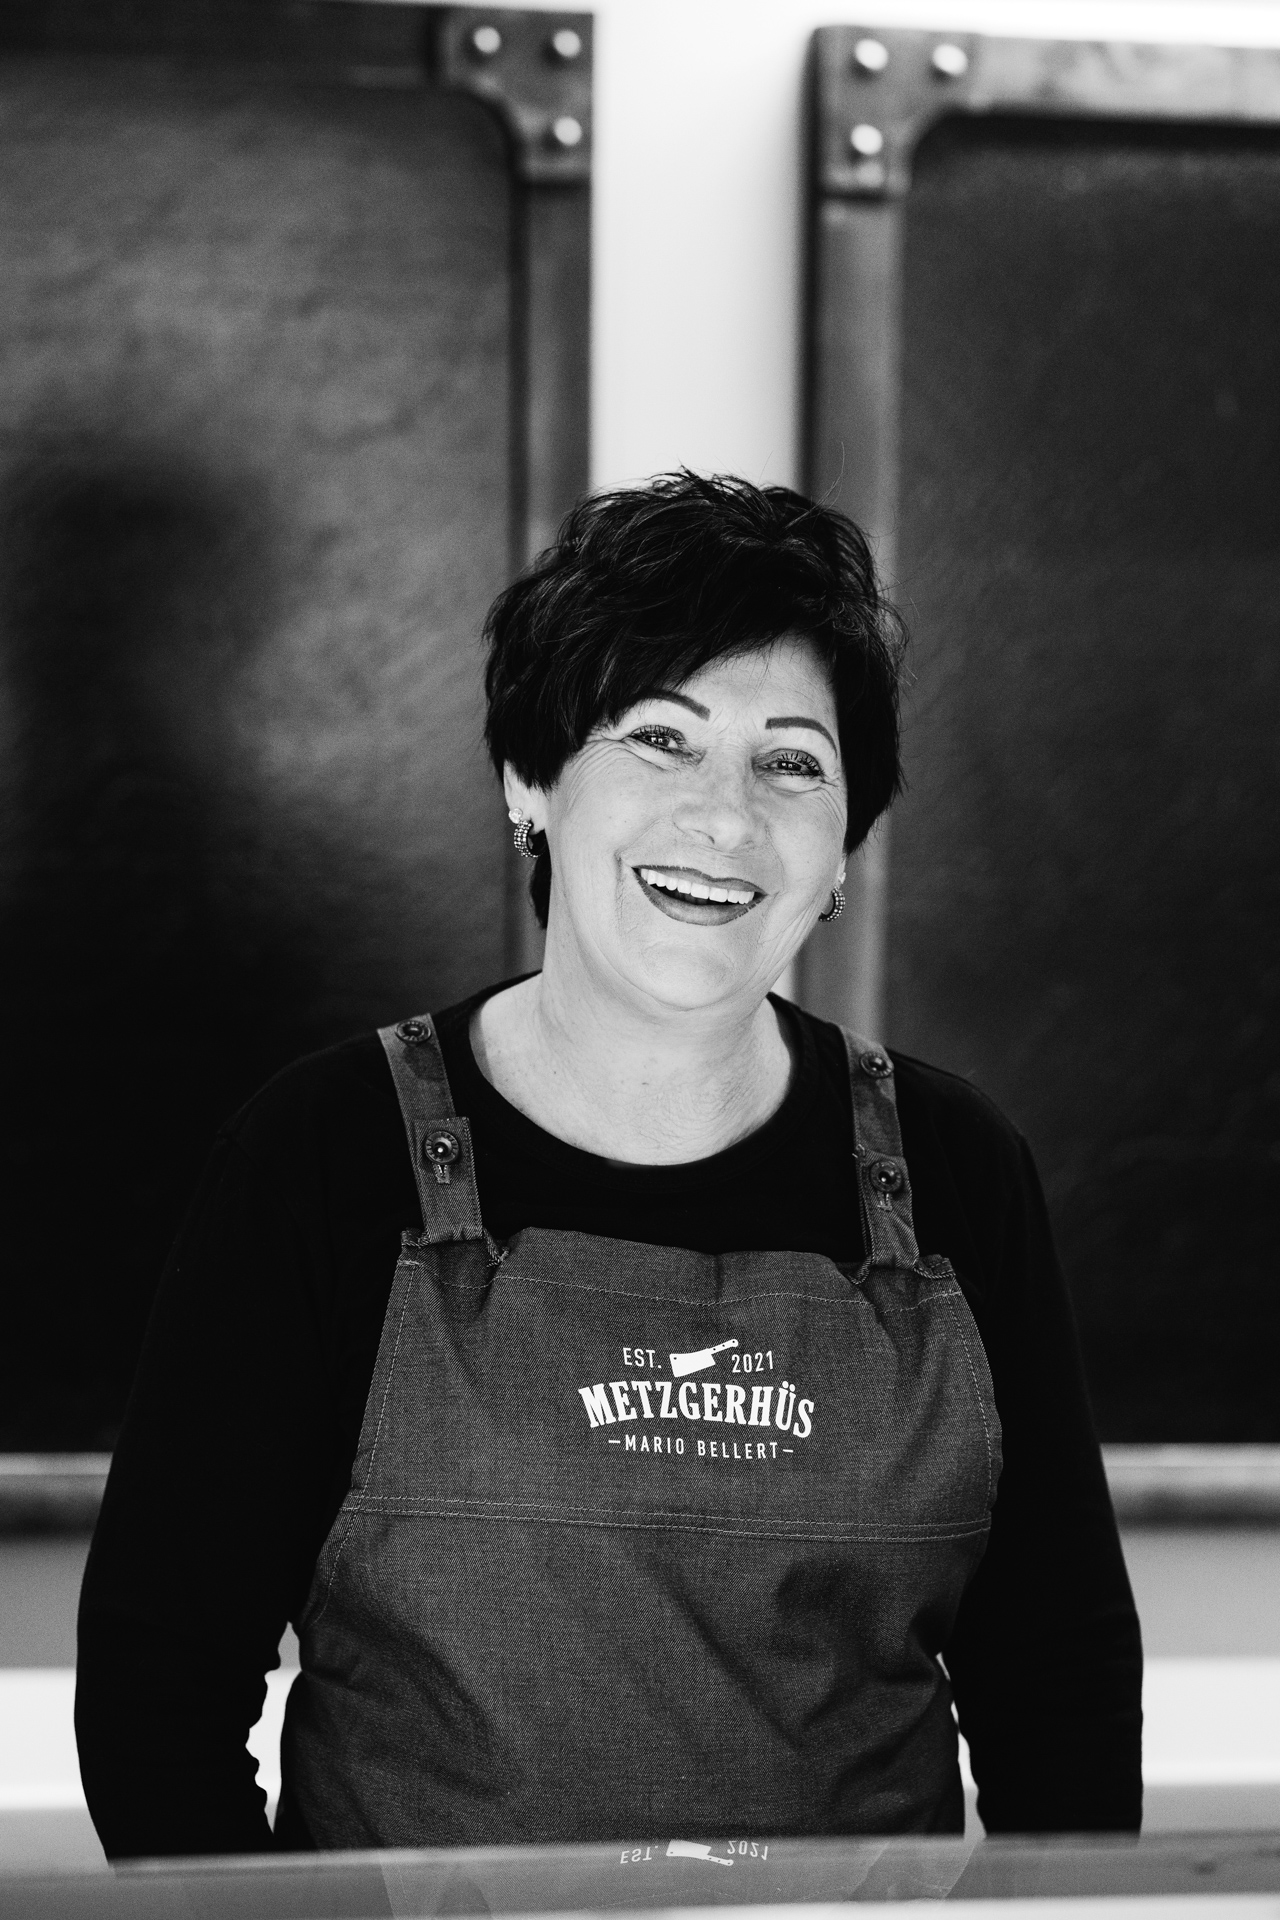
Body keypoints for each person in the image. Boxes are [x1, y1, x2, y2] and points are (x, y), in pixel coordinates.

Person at [76, 472, 1142, 1857]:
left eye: (791, 764)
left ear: (842, 849)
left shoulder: (957, 1170)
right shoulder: (323, 1154)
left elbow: (1060, 1688)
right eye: (659, 738)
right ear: (531, 783)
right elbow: (158, 1693)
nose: (725, 819)